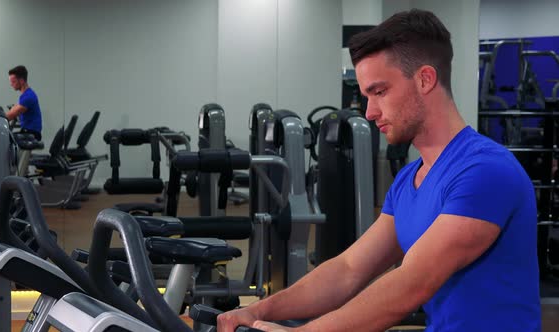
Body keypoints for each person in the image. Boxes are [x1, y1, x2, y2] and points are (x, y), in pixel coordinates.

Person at [218, 9, 540, 332]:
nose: (370, 112)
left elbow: (411, 284)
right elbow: (348, 269)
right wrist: (260, 310)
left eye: (379, 91)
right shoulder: (408, 182)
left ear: (425, 79)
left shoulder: (486, 171)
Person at [6, 65, 43, 140]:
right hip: (29, 131)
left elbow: (9, 116)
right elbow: (14, 110)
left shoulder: (28, 97)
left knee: (5, 139)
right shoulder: (26, 95)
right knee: (7, 138)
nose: (11, 84)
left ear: (22, 81)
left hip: (32, 134)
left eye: (13, 81)